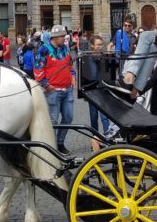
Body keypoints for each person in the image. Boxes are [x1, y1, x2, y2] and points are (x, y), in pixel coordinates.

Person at [35, 24, 75, 155]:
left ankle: (60, 142)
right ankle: (52, 148)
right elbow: (38, 69)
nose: (65, 38)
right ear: (55, 37)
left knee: (68, 118)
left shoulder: (65, 48)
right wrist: (46, 85)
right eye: (62, 36)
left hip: (67, 90)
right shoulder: (44, 49)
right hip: (53, 91)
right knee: (53, 121)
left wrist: (73, 76)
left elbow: (70, 65)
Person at [82, 34, 113, 151]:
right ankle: (95, 141)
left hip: (103, 92)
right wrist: (84, 92)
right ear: (92, 46)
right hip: (92, 92)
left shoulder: (105, 57)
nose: (100, 47)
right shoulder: (86, 58)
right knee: (93, 118)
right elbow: (84, 77)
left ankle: (108, 140)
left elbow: (109, 74)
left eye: (101, 45)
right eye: (98, 45)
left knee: (105, 117)